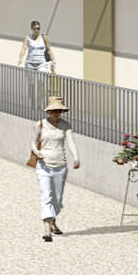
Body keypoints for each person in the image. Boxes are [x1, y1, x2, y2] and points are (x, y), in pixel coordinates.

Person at [30, 96, 80, 241]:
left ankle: (53, 222)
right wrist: (37, 152)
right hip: (43, 166)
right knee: (46, 196)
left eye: (59, 111)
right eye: (54, 111)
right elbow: (33, 142)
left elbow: (70, 142)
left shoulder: (65, 125)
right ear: (48, 111)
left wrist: (76, 157)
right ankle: (47, 230)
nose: (56, 114)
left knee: (57, 199)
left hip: (60, 166)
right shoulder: (40, 124)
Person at [17, 20, 53, 109]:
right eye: (35, 29)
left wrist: (53, 61)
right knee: (32, 84)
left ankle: (39, 103)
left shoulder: (44, 38)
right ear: (31, 29)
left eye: (38, 29)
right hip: (30, 63)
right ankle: (32, 102)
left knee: (41, 84)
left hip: (41, 63)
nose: (36, 30)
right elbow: (23, 48)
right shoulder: (28, 38)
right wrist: (20, 58)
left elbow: (49, 49)